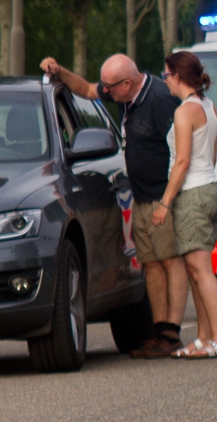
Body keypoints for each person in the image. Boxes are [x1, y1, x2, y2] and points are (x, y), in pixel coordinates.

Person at [39, 51, 187, 357]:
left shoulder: (160, 101)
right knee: (151, 263)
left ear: (129, 83)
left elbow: (182, 154)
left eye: (112, 87)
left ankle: (173, 332)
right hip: (142, 196)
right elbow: (88, 90)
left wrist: (168, 201)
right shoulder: (122, 92)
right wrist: (59, 70)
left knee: (171, 260)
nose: (107, 92)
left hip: (163, 196)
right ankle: (159, 331)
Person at [158, 51, 217, 357]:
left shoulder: (184, 112)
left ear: (177, 76)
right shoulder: (209, 107)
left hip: (193, 193)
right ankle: (203, 337)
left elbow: (183, 161)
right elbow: (210, 157)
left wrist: (165, 202)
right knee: (195, 269)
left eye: (166, 76)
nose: (165, 82)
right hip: (211, 187)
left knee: (201, 270)